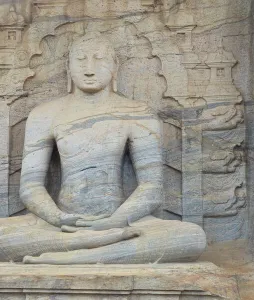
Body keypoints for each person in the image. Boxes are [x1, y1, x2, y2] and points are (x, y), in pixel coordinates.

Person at [0, 32, 206, 264]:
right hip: (60, 225)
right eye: (80, 60)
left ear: (115, 67)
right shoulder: (44, 114)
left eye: (99, 60)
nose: (89, 69)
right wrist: (57, 218)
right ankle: (88, 245)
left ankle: (72, 257)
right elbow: (30, 187)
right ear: (68, 67)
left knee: (192, 237)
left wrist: (115, 221)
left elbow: (151, 187)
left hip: (121, 222)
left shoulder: (137, 113)